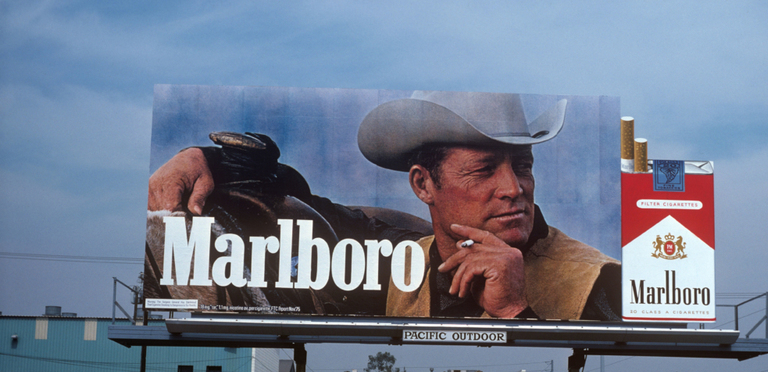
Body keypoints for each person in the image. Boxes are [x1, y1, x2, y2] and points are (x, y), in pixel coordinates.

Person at [148, 91, 620, 320]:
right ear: (422, 184)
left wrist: (516, 311)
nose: (513, 187)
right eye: (483, 170)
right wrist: (203, 158)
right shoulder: (394, 255)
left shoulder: (602, 282)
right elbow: (301, 206)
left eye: (522, 165)